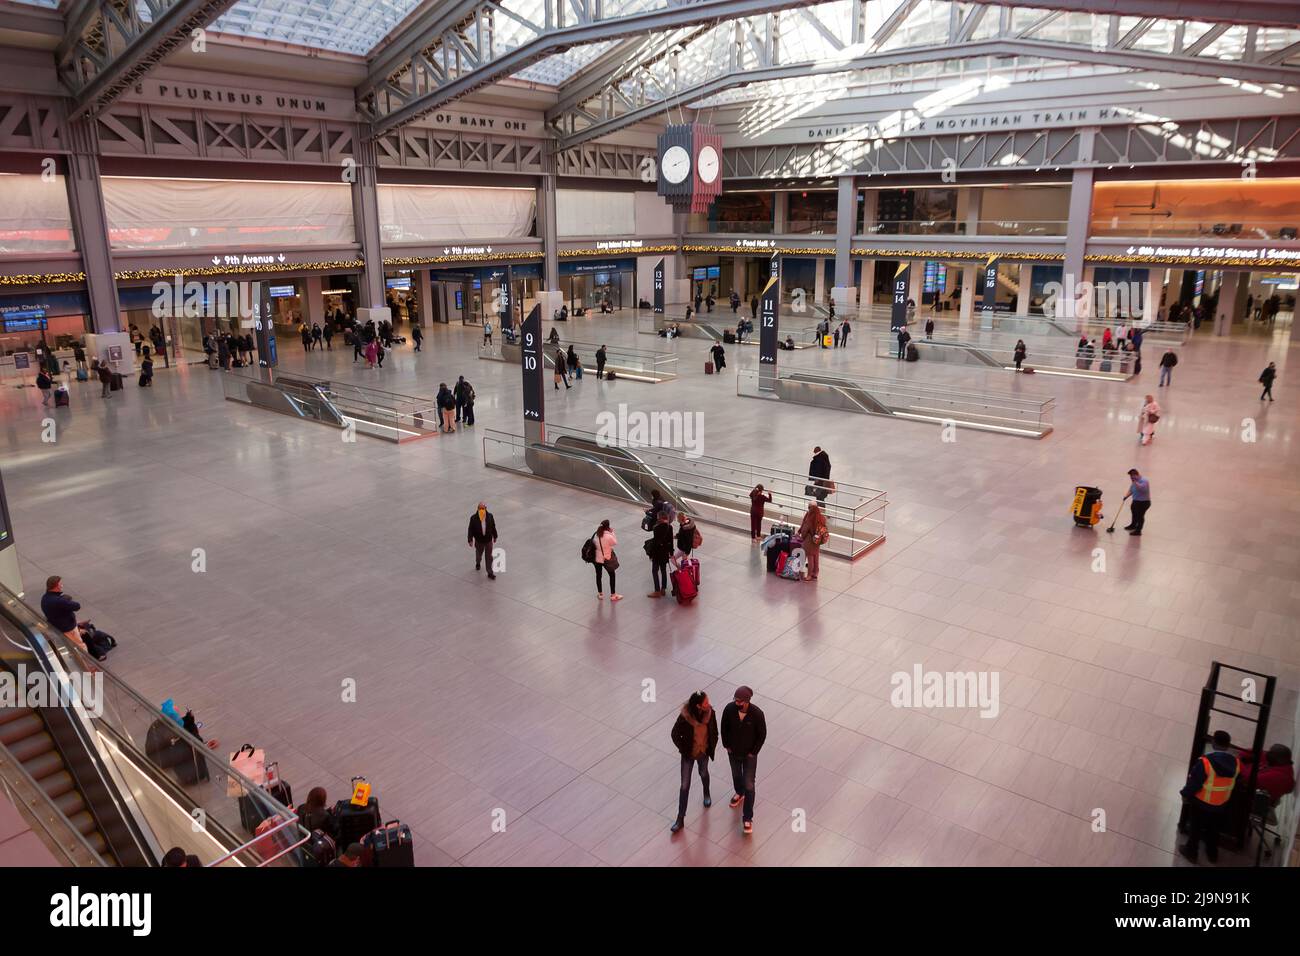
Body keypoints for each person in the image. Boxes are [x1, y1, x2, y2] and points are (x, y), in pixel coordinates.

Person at [1178, 730, 1239, 864]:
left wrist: (1184, 794)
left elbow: (1194, 783)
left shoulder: (1205, 763)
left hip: (1201, 802)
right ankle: (1212, 853)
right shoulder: (1236, 763)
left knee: (1196, 828)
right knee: (1214, 828)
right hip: (1221, 803)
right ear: (1229, 745)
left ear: (1213, 743)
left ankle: (1191, 851)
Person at [668, 691, 718, 833]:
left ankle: (706, 793)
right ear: (698, 706)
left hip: (703, 752)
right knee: (684, 785)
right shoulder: (685, 717)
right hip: (688, 754)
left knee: (703, 773)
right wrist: (683, 748)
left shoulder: (711, 713)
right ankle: (680, 818)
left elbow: (714, 731)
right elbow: (674, 734)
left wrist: (711, 745)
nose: (708, 704)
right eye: (705, 703)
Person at [720, 686, 766, 836]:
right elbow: (724, 727)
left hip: (749, 756)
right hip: (733, 752)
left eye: (739, 701)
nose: (737, 703)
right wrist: (726, 745)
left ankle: (747, 818)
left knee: (750, 785)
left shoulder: (757, 714)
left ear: (747, 701)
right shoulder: (729, 709)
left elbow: (762, 735)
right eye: (735, 700)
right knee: (736, 775)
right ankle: (739, 792)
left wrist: (754, 752)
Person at [40, 576, 89, 654]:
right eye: (60, 584)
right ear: (56, 586)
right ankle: (89, 665)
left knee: (68, 646)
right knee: (80, 646)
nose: (62, 585)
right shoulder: (60, 601)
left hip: (56, 627)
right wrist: (65, 599)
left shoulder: (44, 598)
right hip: (68, 629)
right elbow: (77, 606)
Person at [797, 502, 828, 581]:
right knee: (816, 557)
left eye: (809, 507)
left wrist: (802, 536)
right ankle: (815, 573)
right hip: (817, 540)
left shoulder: (810, 519)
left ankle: (809, 575)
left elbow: (804, 530)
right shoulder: (822, 518)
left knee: (810, 558)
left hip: (809, 540)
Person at [646, 509, 674, 599]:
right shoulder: (670, 527)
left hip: (657, 553)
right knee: (663, 570)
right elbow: (671, 541)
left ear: (660, 518)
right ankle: (663, 589)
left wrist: (651, 554)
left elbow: (655, 542)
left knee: (655, 571)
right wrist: (671, 552)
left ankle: (657, 591)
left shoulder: (657, 527)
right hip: (665, 552)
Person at [592, 519, 621, 601]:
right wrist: (612, 532)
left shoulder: (596, 535)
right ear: (608, 527)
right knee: (612, 575)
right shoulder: (608, 536)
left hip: (597, 558)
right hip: (606, 558)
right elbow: (615, 542)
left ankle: (600, 594)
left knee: (598, 575)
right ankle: (613, 595)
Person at [467, 502, 498, 579]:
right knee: (479, 555)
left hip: (488, 541)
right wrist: (470, 539)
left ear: (485, 509)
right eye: (480, 509)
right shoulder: (473, 518)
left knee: (489, 557)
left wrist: (495, 536)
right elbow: (470, 529)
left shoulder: (490, 516)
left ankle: (490, 572)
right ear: (477, 509)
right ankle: (478, 562)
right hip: (479, 541)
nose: (481, 510)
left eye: (482, 508)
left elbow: (493, 526)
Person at [1122, 468, 1151, 536]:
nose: (1131, 478)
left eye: (1132, 477)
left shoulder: (1144, 481)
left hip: (1143, 503)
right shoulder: (1134, 481)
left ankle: (1138, 531)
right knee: (1134, 513)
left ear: (1136, 475)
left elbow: (1142, 489)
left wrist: (1135, 482)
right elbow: (1131, 489)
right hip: (1136, 501)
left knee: (1140, 516)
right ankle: (1133, 525)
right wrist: (1126, 496)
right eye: (1130, 477)